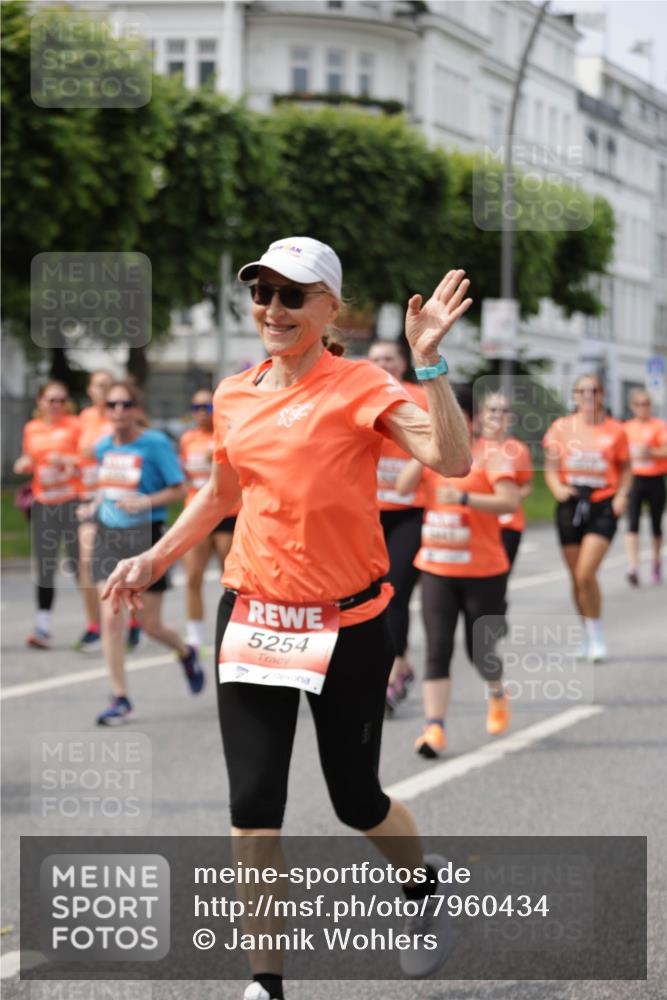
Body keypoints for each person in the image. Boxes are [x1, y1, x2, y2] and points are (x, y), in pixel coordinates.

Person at [102, 236, 473, 1000]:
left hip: (347, 624)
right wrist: (154, 560)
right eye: (261, 293)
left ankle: (420, 884)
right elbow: (221, 493)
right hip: (254, 617)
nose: (272, 308)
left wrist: (429, 362)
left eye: (291, 294)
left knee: (354, 800)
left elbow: (450, 458)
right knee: (252, 808)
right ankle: (265, 985)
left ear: (328, 307)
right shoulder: (237, 393)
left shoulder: (360, 384)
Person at [397, 385, 519, 758]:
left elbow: (508, 503)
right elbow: (402, 488)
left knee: (479, 651)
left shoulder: (491, 456)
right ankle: (434, 728)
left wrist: (465, 497)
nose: (446, 422)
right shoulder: (433, 457)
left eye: (452, 416)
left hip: (483, 570)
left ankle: (497, 692)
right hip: (436, 567)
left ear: (470, 421)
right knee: (437, 648)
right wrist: (427, 451)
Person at [81, 380, 204, 725]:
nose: (119, 411)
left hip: (147, 538)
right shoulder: (103, 445)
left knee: (150, 625)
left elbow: (181, 489)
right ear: (104, 411)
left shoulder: (155, 444)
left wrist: (145, 501)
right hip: (109, 536)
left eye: (126, 404)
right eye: (112, 405)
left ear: (137, 409)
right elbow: (108, 488)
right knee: (111, 619)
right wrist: (92, 504)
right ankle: (120, 698)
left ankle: (185, 651)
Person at [543, 373, 631, 662]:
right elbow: (551, 466)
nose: (587, 397)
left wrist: (621, 496)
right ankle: (587, 633)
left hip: (603, 502)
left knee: (585, 572)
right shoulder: (561, 427)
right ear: (575, 396)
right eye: (581, 391)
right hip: (571, 503)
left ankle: (597, 635)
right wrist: (557, 488)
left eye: (593, 391)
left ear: (602, 395)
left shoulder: (615, 431)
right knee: (576, 578)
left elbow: (627, 468)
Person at [367, 339, 427, 715]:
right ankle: (398, 665)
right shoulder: (357, 395)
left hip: (410, 509)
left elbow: (439, 442)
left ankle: (392, 672)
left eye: (388, 358)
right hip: (367, 512)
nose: (382, 363)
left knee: (397, 592)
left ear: (402, 364)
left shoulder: (419, 398)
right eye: (375, 359)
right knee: (370, 594)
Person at [13, 381, 81, 649]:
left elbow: (88, 460)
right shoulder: (32, 428)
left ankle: (97, 623)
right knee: (45, 566)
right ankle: (42, 627)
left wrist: (65, 461)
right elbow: (28, 458)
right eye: (51, 400)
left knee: (80, 565)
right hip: (44, 503)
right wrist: (24, 463)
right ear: (40, 402)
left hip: (71, 501)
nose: (56, 405)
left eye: (61, 400)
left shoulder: (75, 426)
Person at [180, 388, 240, 652]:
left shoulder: (228, 433)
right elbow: (184, 475)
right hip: (198, 514)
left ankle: (234, 633)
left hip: (228, 513)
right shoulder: (187, 438)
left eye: (208, 407)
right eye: (197, 408)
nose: (202, 412)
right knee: (193, 575)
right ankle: (194, 637)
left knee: (231, 581)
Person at [74, 369, 114, 651]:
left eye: (108, 386)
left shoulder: (120, 417)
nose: (104, 391)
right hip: (88, 498)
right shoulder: (84, 418)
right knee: (87, 563)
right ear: (90, 389)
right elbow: (73, 451)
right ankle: (94, 625)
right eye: (99, 386)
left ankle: (133, 622)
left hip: (115, 498)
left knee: (120, 565)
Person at [475, 391, 533, 571]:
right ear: (481, 415)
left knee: (500, 577)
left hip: (508, 525)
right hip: (478, 522)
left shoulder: (519, 449)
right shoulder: (472, 447)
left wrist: (508, 497)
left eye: (504, 411)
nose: (498, 415)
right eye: (492, 410)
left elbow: (526, 485)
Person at [623, 388, 667, 585]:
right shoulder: (626, 428)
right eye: (639, 404)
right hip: (634, 479)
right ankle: (633, 566)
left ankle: (656, 562)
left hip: (655, 478)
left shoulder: (658, 426)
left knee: (656, 524)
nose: (644, 408)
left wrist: (651, 451)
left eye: (647, 404)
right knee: (632, 523)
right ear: (633, 406)